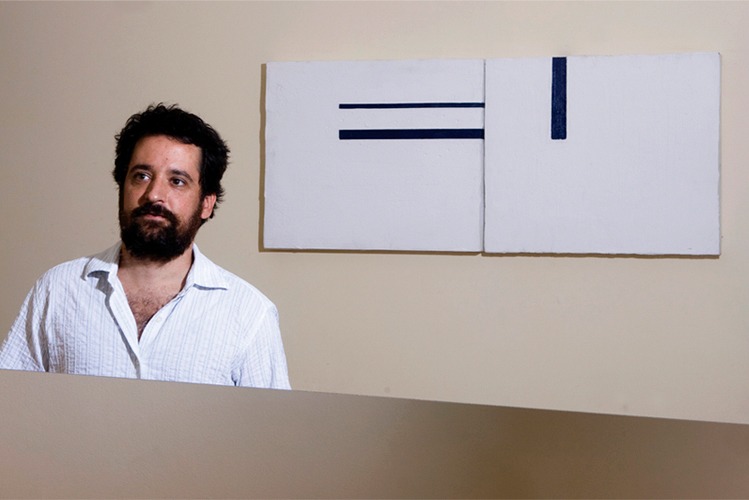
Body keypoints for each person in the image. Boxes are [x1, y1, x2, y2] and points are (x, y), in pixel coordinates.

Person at [0, 104, 290, 389]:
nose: (154, 195)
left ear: (206, 203)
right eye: (142, 176)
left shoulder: (250, 314)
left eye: (177, 181)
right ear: (122, 185)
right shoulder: (57, 290)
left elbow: (268, 422)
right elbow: (10, 404)